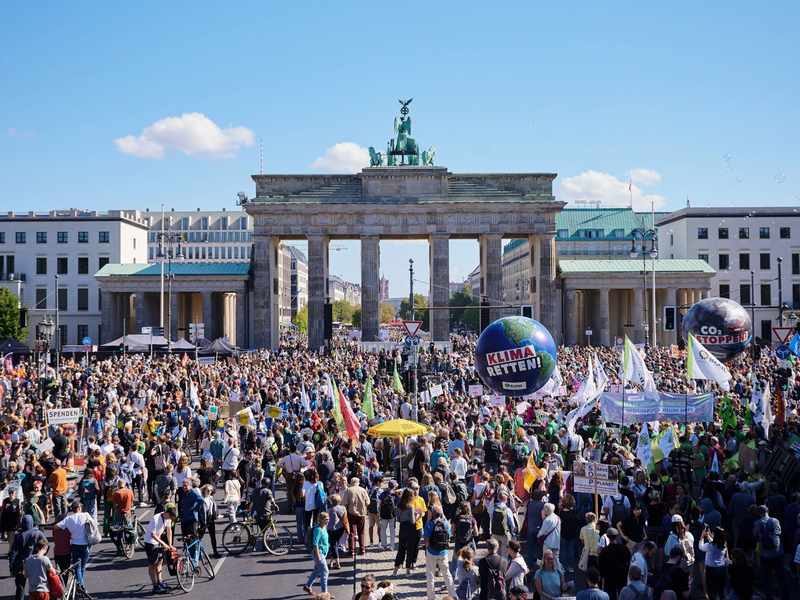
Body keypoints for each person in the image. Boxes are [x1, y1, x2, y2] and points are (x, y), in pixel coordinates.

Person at [56, 501, 96, 598]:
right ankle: (81, 586)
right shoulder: (86, 515)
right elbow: (94, 524)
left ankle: (79, 586)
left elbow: (56, 527)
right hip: (86, 545)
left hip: (75, 545)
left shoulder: (69, 519)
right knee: (82, 567)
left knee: (77, 567)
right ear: (79, 508)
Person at [753, 504, 789, 600]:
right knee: (781, 575)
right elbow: (779, 533)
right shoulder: (775, 521)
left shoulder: (757, 523)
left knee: (766, 576)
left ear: (759, 513)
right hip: (777, 552)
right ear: (767, 511)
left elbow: (755, 534)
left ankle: (769, 597)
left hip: (764, 553)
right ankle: (785, 596)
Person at [9, 515, 47, 600]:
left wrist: (11, 568)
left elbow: (13, 553)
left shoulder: (18, 536)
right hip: (35, 563)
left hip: (21, 564)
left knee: (20, 587)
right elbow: (46, 545)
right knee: (37, 586)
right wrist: (41, 555)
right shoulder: (38, 533)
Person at [423, 504, 457, 600]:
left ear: (432, 514)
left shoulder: (429, 524)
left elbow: (426, 539)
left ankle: (431, 597)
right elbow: (449, 536)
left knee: (430, 576)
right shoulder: (445, 523)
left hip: (432, 551)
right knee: (447, 573)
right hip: (443, 552)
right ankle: (453, 594)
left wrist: (427, 548)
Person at [143, 504, 178, 595]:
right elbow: (152, 535)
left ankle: (160, 582)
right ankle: (155, 586)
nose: (170, 519)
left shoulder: (168, 519)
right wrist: (164, 544)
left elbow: (169, 530)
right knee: (152, 564)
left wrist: (170, 544)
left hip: (157, 542)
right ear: (166, 513)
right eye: (170, 516)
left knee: (160, 562)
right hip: (150, 542)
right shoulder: (156, 519)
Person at [303, 512, 332, 598]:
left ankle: (307, 586)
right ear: (321, 520)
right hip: (319, 554)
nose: (328, 521)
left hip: (323, 553)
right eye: (326, 519)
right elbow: (315, 544)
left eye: (328, 519)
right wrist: (318, 556)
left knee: (317, 570)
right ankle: (325, 594)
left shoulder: (324, 528)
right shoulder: (318, 530)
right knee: (325, 572)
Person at [597, 528, 631, 600]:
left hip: (609, 578)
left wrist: (602, 575)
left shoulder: (605, 551)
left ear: (608, 536)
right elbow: (630, 561)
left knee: (611, 596)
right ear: (617, 536)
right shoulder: (624, 549)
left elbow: (601, 565)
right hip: (622, 577)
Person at [342, 476, 369, 555]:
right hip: (361, 513)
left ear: (351, 483)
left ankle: (351, 550)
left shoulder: (348, 490)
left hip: (351, 513)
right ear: (358, 483)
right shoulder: (363, 490)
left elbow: (344, 503)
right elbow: (368, 502)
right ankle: (362, 548)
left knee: (351, 533)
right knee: (361, 532)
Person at [394, 488, 417, 576]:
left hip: (402, 527)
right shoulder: (410, 506)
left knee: (401, 549)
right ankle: (407, 571)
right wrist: (416, 515)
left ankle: (395, 570)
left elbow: (398, 519)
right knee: (410, 549)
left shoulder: (399, 505)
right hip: (410, 528)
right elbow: (412, 521)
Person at [327, 494, 347, 570]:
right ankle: (331, 562)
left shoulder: (329, 510)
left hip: (332, 530)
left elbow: (327, 521)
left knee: (333, 546)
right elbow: (345, 518)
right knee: (335, 544)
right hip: (340, 529)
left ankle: (338, 563)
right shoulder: (343, 508)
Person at [200, 484, 220, 558]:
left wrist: (217, 514)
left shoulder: (211, 498)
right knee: (200, 536)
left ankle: (215, 551)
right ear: (204, 490)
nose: (209, 492)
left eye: (210, 490)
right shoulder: (201, 499)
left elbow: (214, 507)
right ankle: (197, 551)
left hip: (210, 518)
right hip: (203, 519)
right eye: (207, 490)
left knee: (213, 536)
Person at [539, 503, 562, 568]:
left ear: (546, 510)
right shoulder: (557, 518)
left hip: (548, 542)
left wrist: (539, 535)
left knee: (545, 558)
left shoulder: (547, 520)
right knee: (556, 560)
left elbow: (542, 531)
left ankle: (543, 572)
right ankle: (559, 574)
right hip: (556, 542)